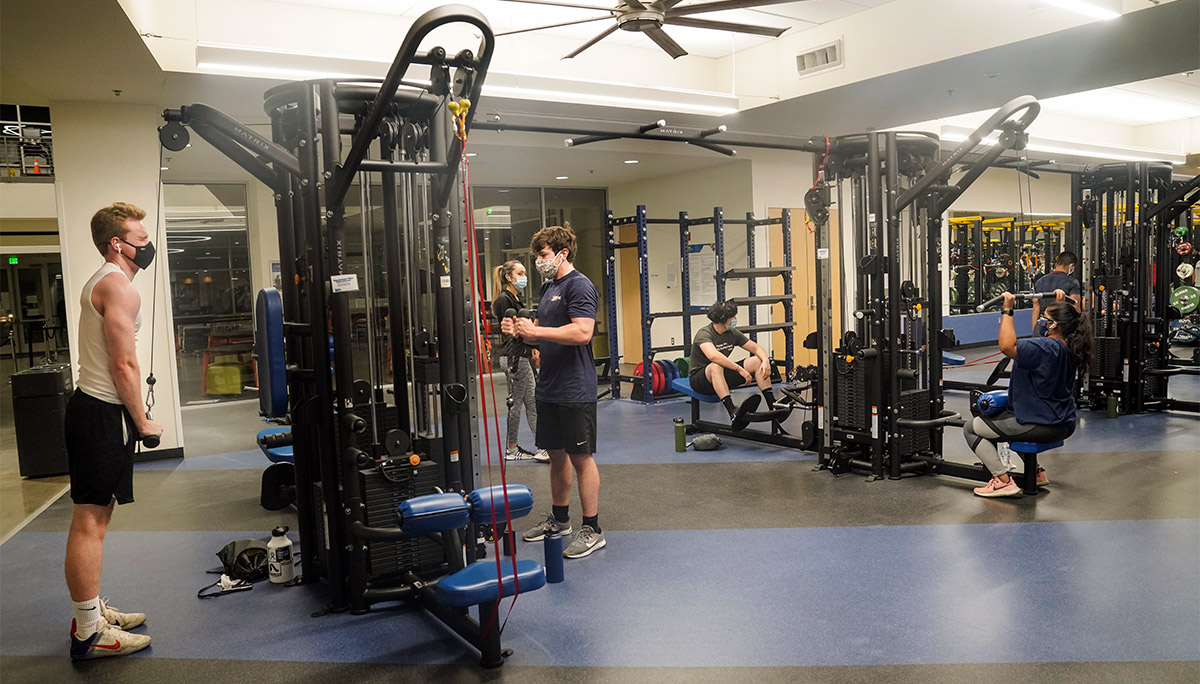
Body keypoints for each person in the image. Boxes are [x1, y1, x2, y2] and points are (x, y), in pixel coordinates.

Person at [65, 202, 162, 658]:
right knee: (90, 522)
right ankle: (88, 632)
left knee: (96, 515)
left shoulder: (105, 281)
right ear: (117, 244)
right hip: (102, 414)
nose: (148, 247)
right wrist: (141, 421)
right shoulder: (119, 288)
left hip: (95, 410)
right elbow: (123, 362)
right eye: (140, 241)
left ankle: (90, 614)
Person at [503, 224, 604, 559]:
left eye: (543, 255)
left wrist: (538, 329)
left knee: (581, 458)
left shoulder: (579, 285)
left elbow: (582, 332)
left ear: (563, 252)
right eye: (536, 256)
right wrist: (521, 331)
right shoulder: (549, 287)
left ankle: (592, 528)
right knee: (555, 456)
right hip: (548, 385)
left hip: (575, 387)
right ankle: (561, 521)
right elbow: (541, 336)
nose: (538, 262)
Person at [963, 290, 1092, 497]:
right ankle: (1037, 473)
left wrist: (1007, 310)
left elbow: (1007, 346)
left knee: (971, 428)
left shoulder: (1046, 347)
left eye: (1045, 319)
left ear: (1054, 325)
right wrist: (1058, 304)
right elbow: (1039, 336)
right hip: (1063, 423)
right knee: (1006, 419)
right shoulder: (1070, 347)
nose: (1041, 321)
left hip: (1040, 424)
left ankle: (1003, 481)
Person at [490, 259, 548, 463]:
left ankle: (520, 448)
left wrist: (532, 347)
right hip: (515, 358)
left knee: (526, 403)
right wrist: (531, 344)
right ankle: (528, 448)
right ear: (509, 277)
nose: (524, 277)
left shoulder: (515, 298)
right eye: (520, 273)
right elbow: (515, 331)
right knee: (525, 404)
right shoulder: (504, 300)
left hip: (520, 355)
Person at [689, 300, 775, 429]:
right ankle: (732, 411)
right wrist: (739, 369)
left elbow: (756, 348)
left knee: (757, 361)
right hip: (700, 380)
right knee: (715, 366)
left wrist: (765, 361)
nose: (735, 319)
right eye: (732, 317)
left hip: (720, 376)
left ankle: (773, 404)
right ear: (723, 319)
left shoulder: (732, 333)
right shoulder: (705, 333)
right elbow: (713, 356)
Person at [1031, 251, 1082, 335]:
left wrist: (1035, 330)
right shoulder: (1072, 282)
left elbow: (1036, 307)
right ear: (1071, 266)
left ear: (1056, 264)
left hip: (1042, 324)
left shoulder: (1040, 281)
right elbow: (1075, 309)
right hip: (1060, 328)